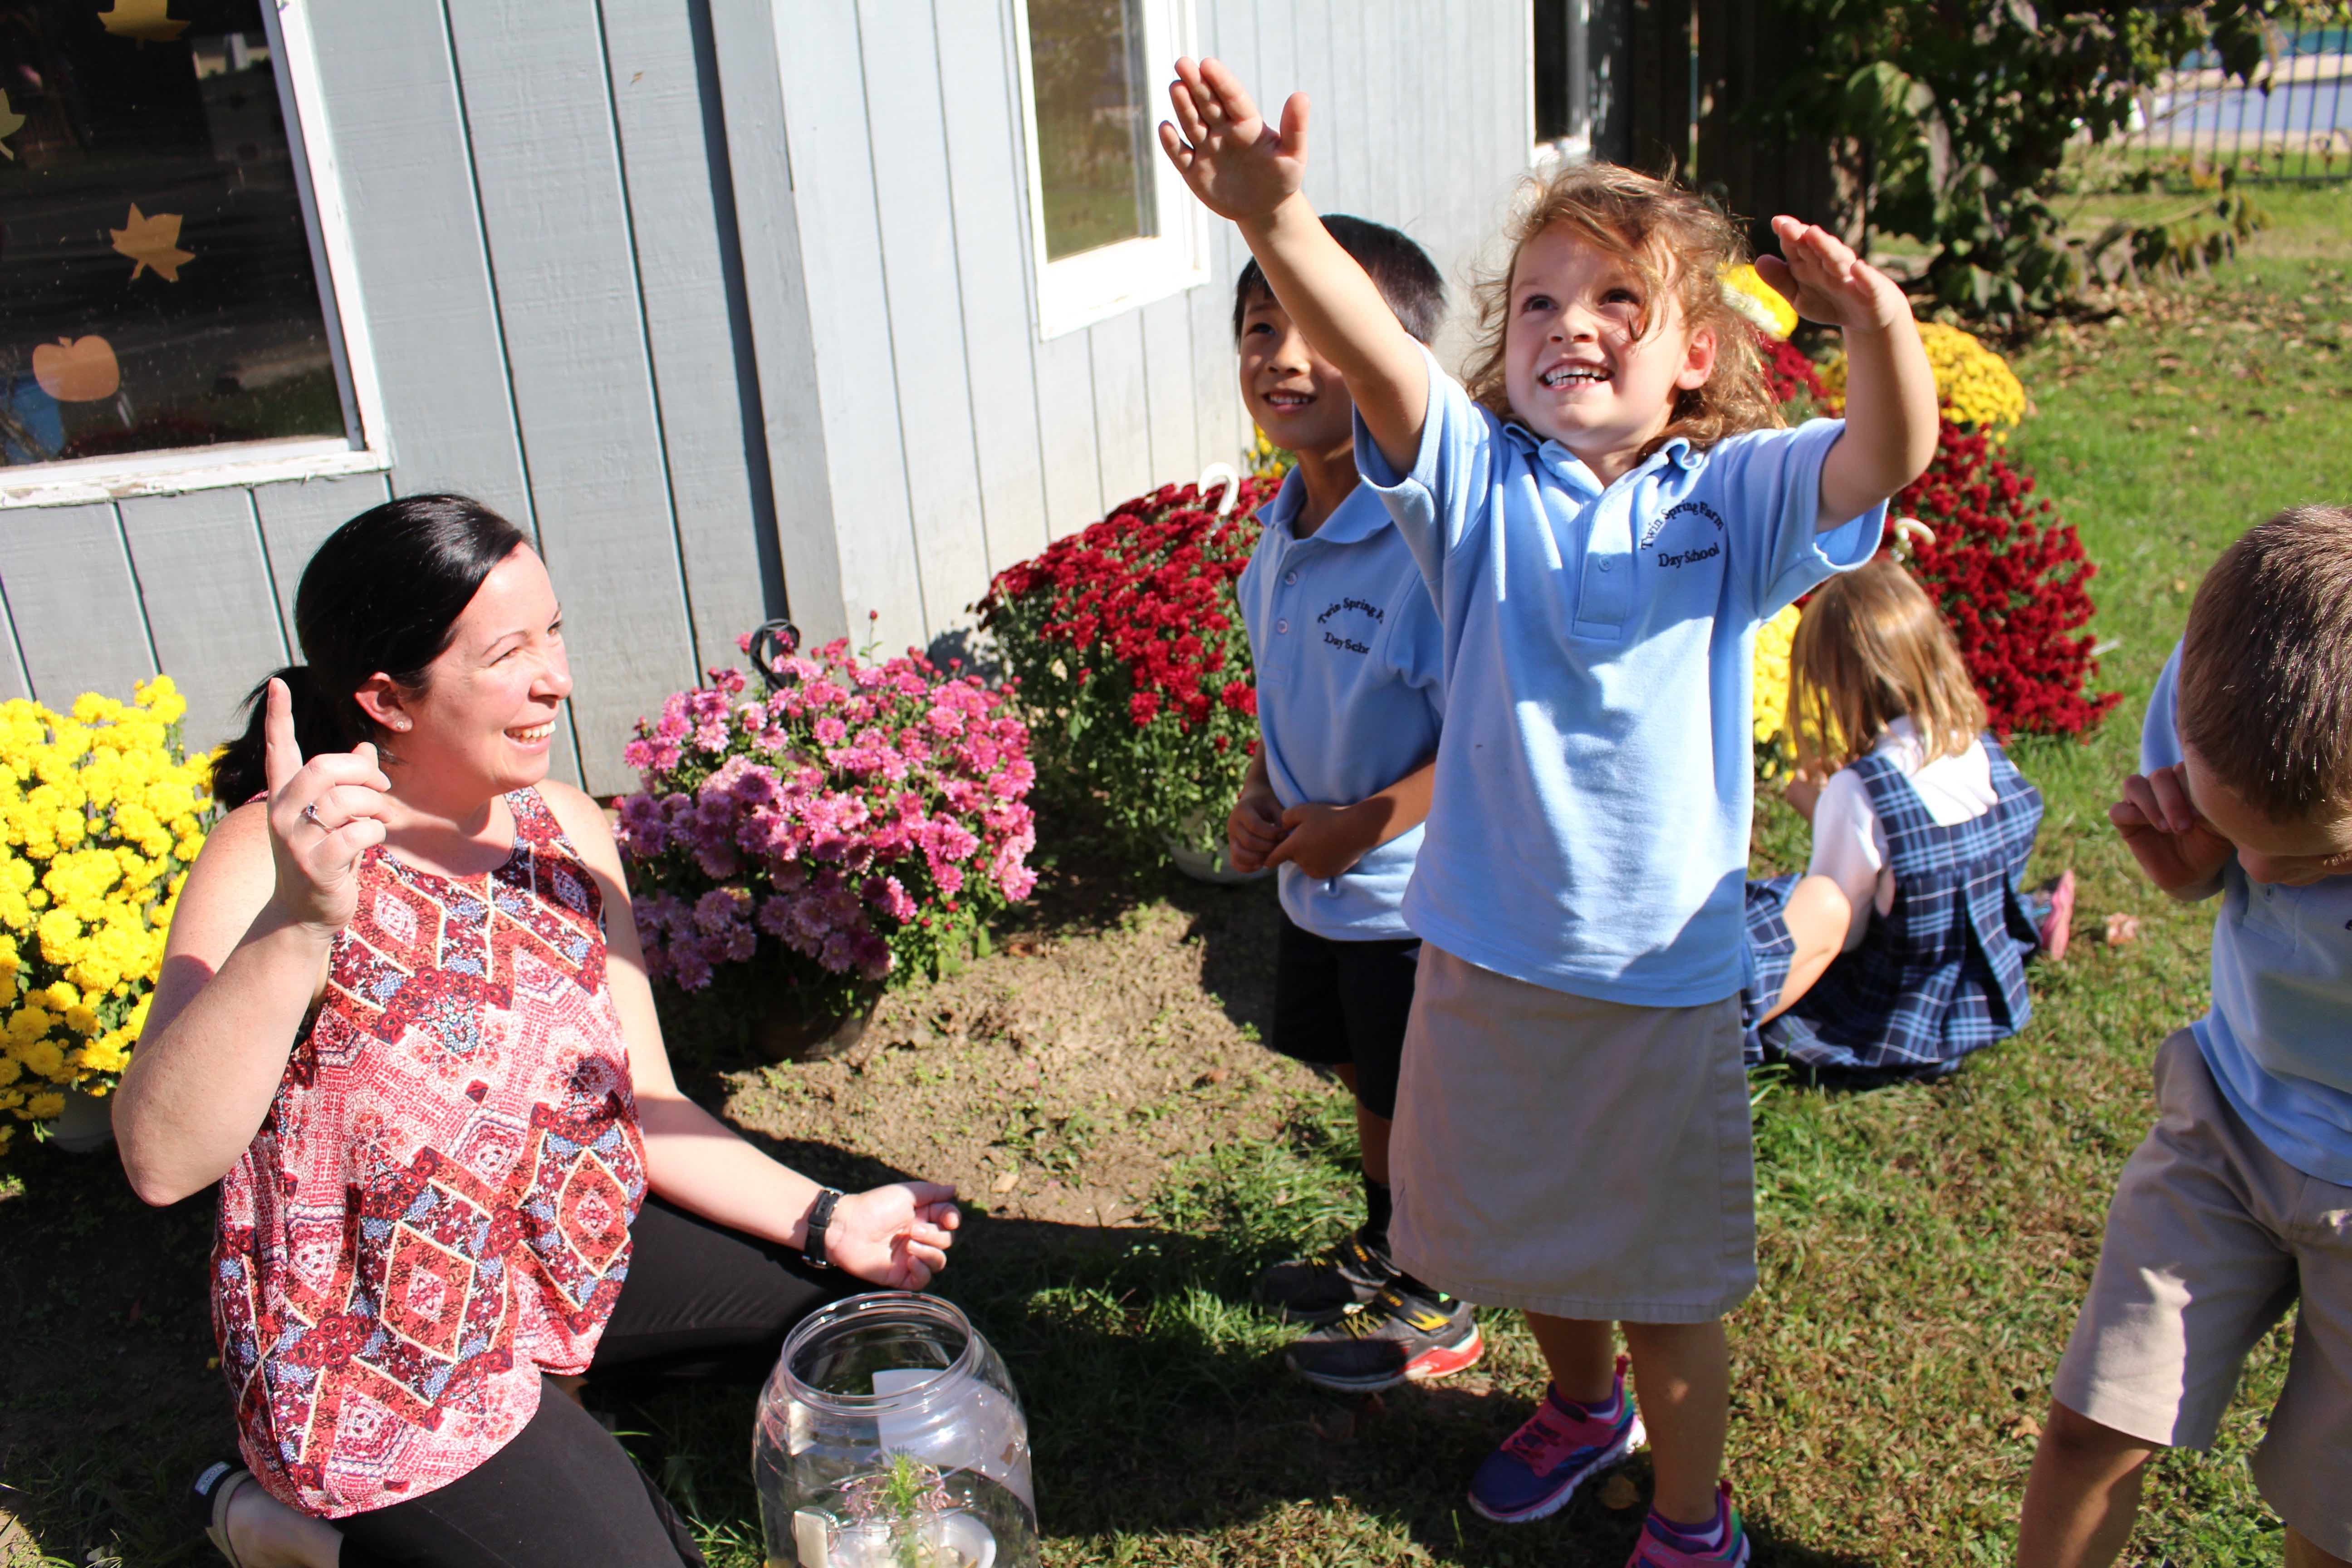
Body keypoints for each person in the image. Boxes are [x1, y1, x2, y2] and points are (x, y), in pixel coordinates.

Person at [1159, 60, 1936, 1565]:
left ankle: (1697, 1517)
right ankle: (1580, 1409)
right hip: (1491, 952)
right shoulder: (1471, 482)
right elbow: (1379, 365)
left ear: (1693, 357)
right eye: (1536, 301)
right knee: (1522, 1224)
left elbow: (1884, 452)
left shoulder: (1735, 499)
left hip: (1657, 973)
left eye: (1615, 304)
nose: (1568, 325)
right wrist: (1276, 220)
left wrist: (1878, 328)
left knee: (1666, 1271)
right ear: (1500, 343)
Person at [111, 496, 962, 1568]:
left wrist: (829, 1214)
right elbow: (158, 1159)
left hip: (566, 1242)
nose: (556, 675)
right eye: (508, 653)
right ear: (387, 697)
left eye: (551, 632)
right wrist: (299, 923)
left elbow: (645, 1099)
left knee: (881, 1327)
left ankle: (546, 1404)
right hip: (381, 1340)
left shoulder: (568, 826)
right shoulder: (271, 858)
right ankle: (288, 1529)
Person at [2019, 505, 2352, 1568]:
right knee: (2091, 1424)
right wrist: (2191, 864)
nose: (2256, 880)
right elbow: (2226, 856)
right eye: (2240, 830)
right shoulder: (2227, 677)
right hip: (2228, 1106)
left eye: (2307, 859)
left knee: (2334, 1515)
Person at [1219, 216, 1468, 1390]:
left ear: (1388, 358)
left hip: (1415, 901)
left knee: (1429, 1106)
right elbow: (1284, 700)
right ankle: (1388, 1242)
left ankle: (1441, 1296)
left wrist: (1366, 822)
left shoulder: (1428, 553)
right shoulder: (1275, 538)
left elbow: (1488, 745)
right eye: (1260, 328)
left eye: (1318, 329)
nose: (1282, 355)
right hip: (1321, 889)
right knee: (1373, 1082)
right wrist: (1263, 794)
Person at [1740, 554, 2072, 1076]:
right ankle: (2033, 916)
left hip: (1890, 1013)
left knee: (1777, 911)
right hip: (1969, 991)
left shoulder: (1858, 791)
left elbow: (1839, 930)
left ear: (1834, 686)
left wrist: (1821, 804)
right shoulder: (1980, 749)